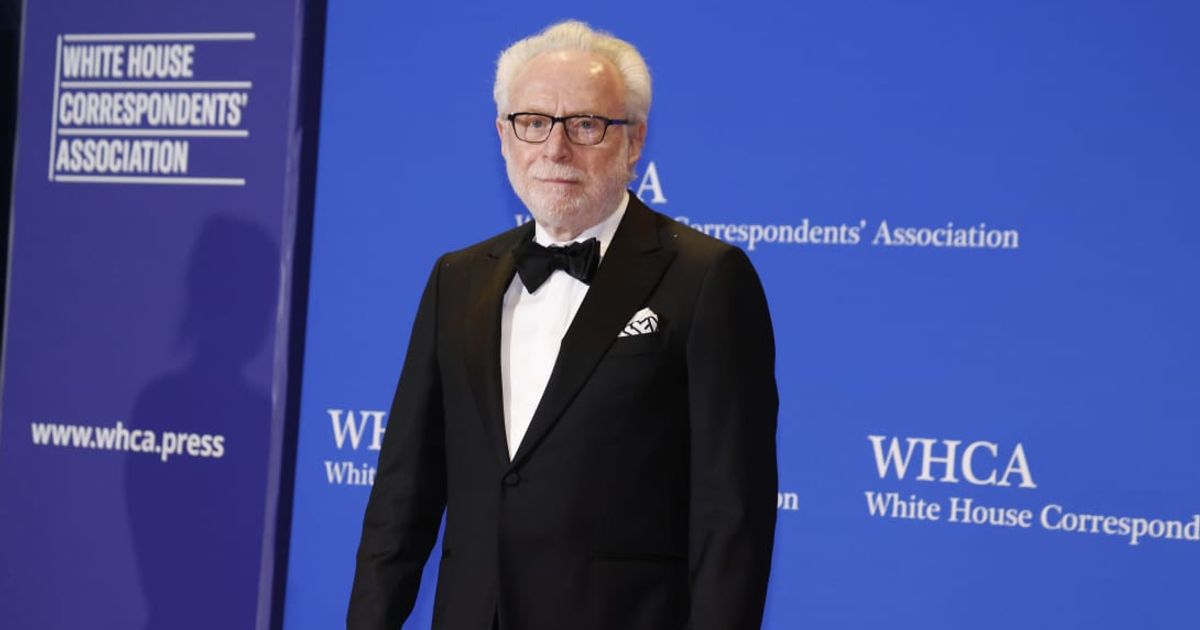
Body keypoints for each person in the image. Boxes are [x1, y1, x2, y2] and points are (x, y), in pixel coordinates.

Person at [348, 20, 778, 630]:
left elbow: (731, 515)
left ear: (634, 142)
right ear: (503, 137)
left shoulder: (707, 278)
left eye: (585, 125)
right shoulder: (458, 277)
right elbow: (402, 495)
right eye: (533, 123)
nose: (554, 150)